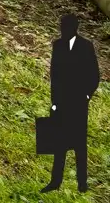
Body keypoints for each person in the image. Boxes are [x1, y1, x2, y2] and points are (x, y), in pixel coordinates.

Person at [47, 12, 100, 193]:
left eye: (66, 28)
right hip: (61, 102)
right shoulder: (58, 45)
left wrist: (86, 96)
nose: (63, 31)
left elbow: (94, 75)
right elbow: (54, 76)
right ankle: (55, 182)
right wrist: (54, 102)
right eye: (62, 27)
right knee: (59, 142)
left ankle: (82, 184)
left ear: (74, 29)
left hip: (78, 102)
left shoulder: (86, 46)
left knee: (79, 144)